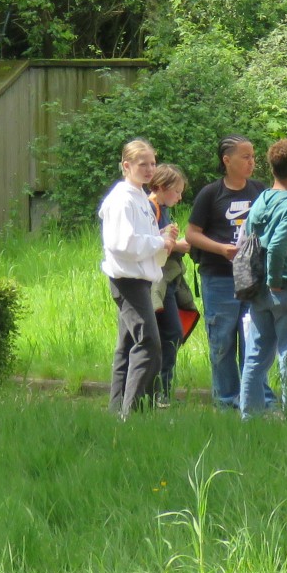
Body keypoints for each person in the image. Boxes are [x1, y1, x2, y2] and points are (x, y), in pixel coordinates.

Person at [100, 139, 185, 418]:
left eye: (152, 163)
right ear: (126, 166)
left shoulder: (138, 197)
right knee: (149, 343)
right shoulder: (121, 199)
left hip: (142, 279)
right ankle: (132, 415)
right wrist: (158, 243)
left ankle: (118, 412)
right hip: (128, 281)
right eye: (142, 164)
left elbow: (145, 242)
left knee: (127, 347)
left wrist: (161, 241)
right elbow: (122, 243)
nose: (149, 169)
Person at [186, 136, 264, 411]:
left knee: (253, 338)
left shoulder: (259, 191)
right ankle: (225, 399)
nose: (251, 162)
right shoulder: (211, 194)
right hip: (218, 277)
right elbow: (191, 234)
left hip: (252, 276)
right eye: (245, 157)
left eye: (253, 156)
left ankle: (253, 398)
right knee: (222, 340)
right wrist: (220, 249)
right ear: (226, 160)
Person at [239, 138, 287, 419]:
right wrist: (275, 280)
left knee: (256, 354)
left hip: (257, 290)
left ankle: (250, 416)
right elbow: (279, 246)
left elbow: (247, 237)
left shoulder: (261, 200)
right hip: (284, 287)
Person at [147, 164, 195, 408]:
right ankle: (159, 391)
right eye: (176, 192)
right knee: (170, 334)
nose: (179, 197)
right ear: (162, 188)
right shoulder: (151, 208)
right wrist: (176, 245)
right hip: (158, 283)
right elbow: (152, 243)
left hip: (168, 281)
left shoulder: (161, 208)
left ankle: (160, 389)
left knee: (170, 334)